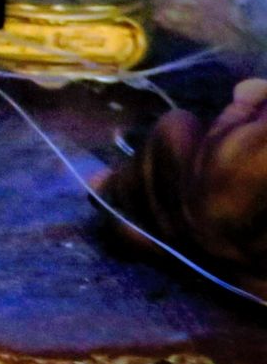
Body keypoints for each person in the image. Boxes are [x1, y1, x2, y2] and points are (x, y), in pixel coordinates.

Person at [97, 77, 267, 293]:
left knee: (176, 126)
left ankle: (120, 194)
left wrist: (242, 106)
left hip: (219, 230)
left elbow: (225, 163)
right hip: (234, 243)